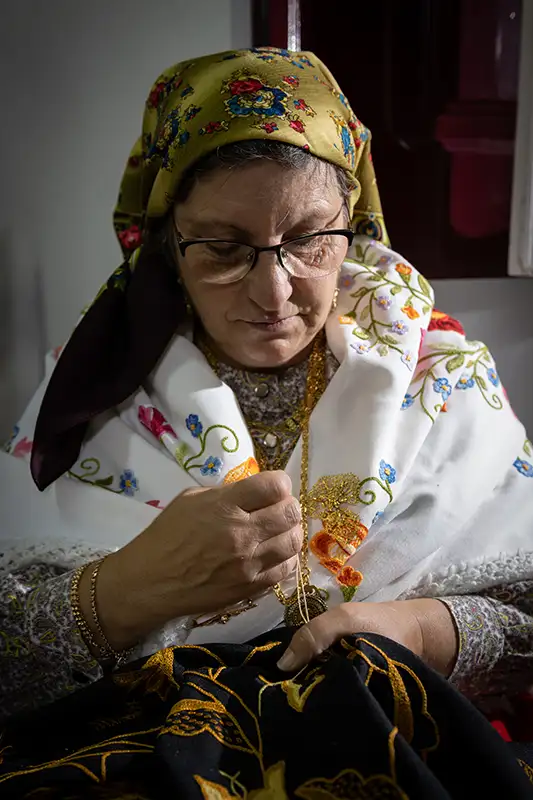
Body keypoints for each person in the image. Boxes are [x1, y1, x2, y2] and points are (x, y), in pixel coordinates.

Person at [0, 47, 532, 796]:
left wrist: (419, 629)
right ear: (164, 241)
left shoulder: (440, 378)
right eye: (222, 248)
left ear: (354, 223)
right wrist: (124, 592)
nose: (274, 291)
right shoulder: (89, 396)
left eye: (311, 239)